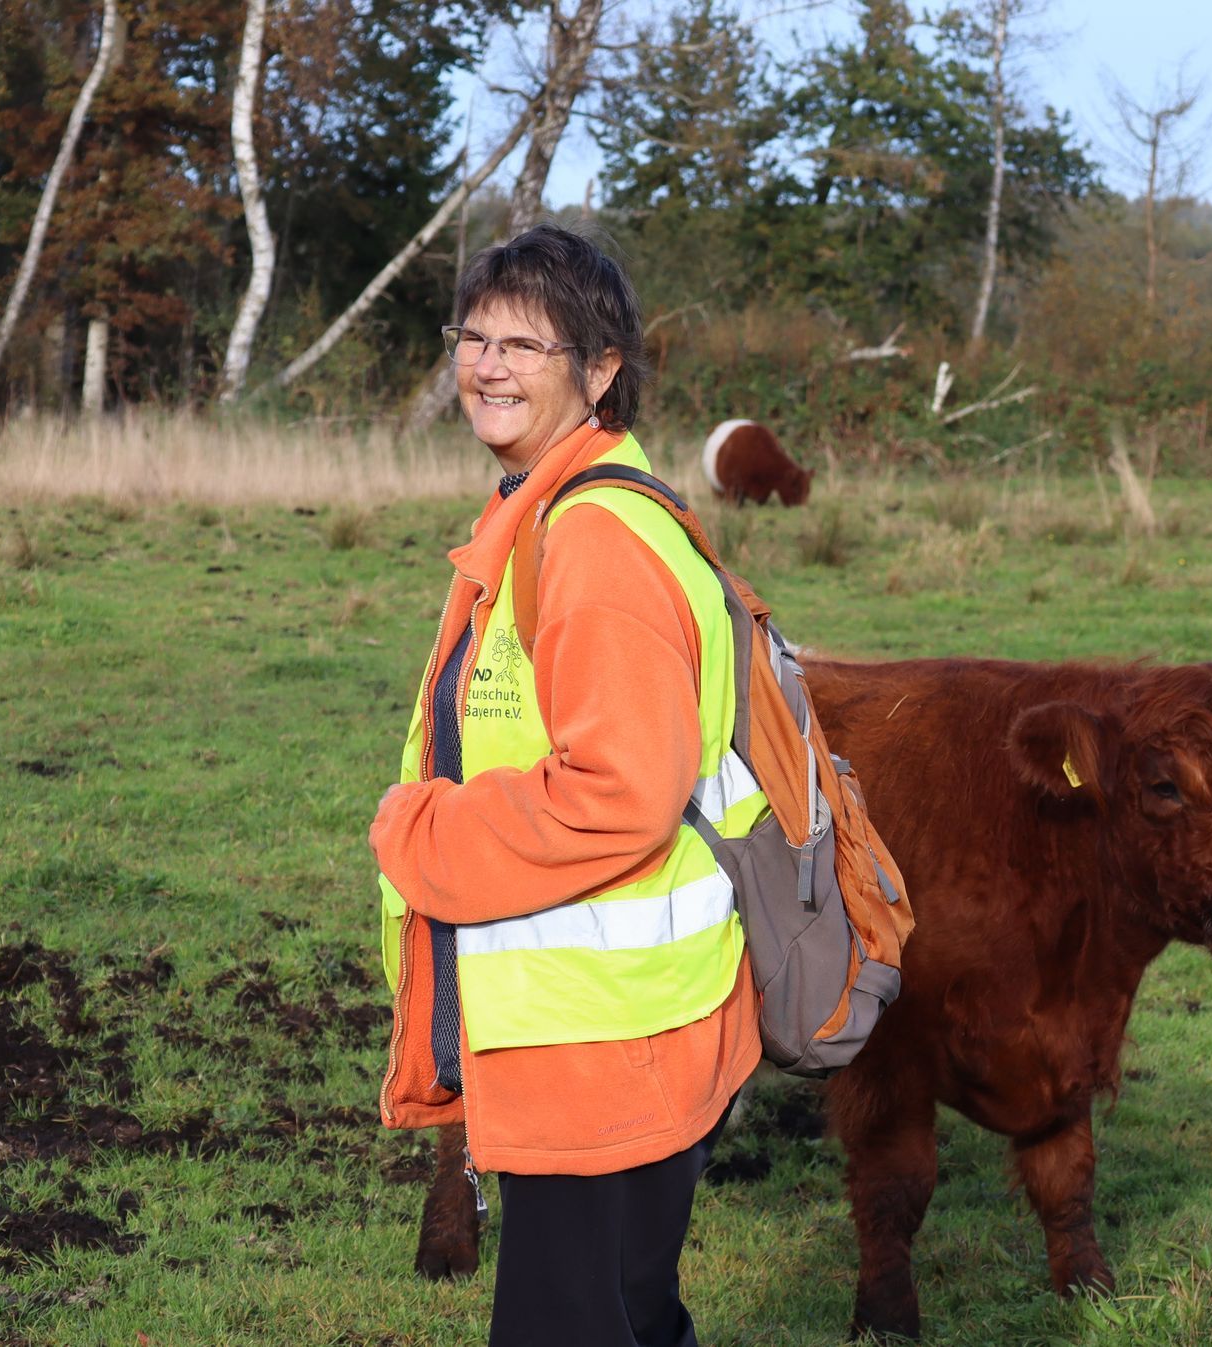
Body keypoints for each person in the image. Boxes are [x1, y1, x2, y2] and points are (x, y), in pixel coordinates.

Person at [368, 223, 761, 1347]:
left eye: (526, 345)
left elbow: (622, 791)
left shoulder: (591, 539)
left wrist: (423, 833)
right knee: (632, 1318)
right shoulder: (553, 511)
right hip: (623, 1019)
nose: (488, 365)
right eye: (473, 336)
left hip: (594, 1034)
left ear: (598, 372)